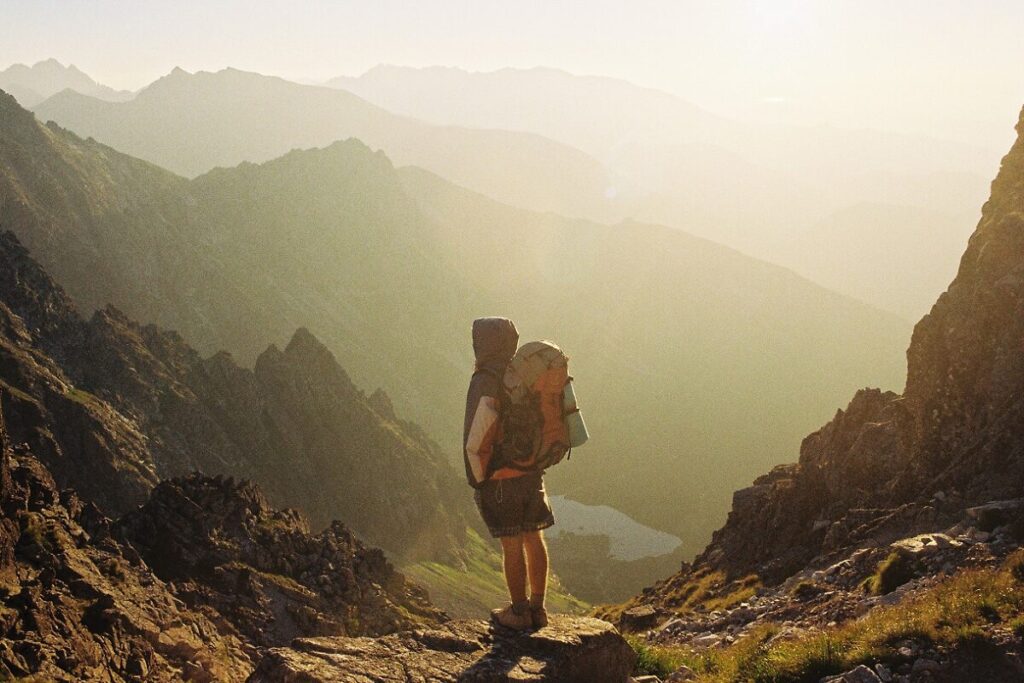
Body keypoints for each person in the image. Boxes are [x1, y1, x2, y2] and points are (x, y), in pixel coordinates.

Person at [463, 317, 554, 630]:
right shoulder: (524, 375)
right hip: (532, 472)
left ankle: (518, 612)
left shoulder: (485, 380)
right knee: (534, 536)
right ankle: (538, 609)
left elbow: (477, 436)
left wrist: (478, 479)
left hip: (502, 479)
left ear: (482, 345)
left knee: (512, 545)